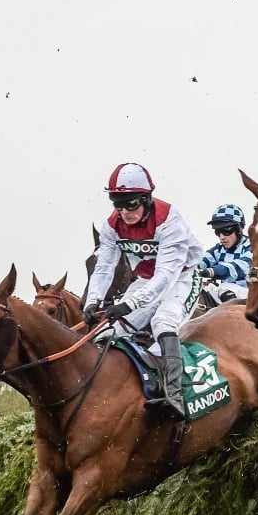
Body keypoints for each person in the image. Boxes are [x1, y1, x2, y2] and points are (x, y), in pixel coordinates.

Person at [82, 162, 205, 420]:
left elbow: (166, 276)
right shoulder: (112, 226)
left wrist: (130, 304)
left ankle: (174, 396)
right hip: (146, 281)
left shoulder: (169, 220)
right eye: (118, 204)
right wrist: (92, 303)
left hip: (181, 277)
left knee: (163, 321)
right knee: (107, 331)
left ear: (147, 199)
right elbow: (104, 268)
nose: (124, 211)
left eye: (131, 204)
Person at [198, 203, 253, 305]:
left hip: (249, 294)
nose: (222, 237)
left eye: (226, 231)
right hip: (226, 293)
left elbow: (238, 267)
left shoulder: (252, 246)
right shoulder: (218, 249)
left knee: (224, 288)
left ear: (239, 229)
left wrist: (210, 271)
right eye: (218, 232)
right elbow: (201, 261)